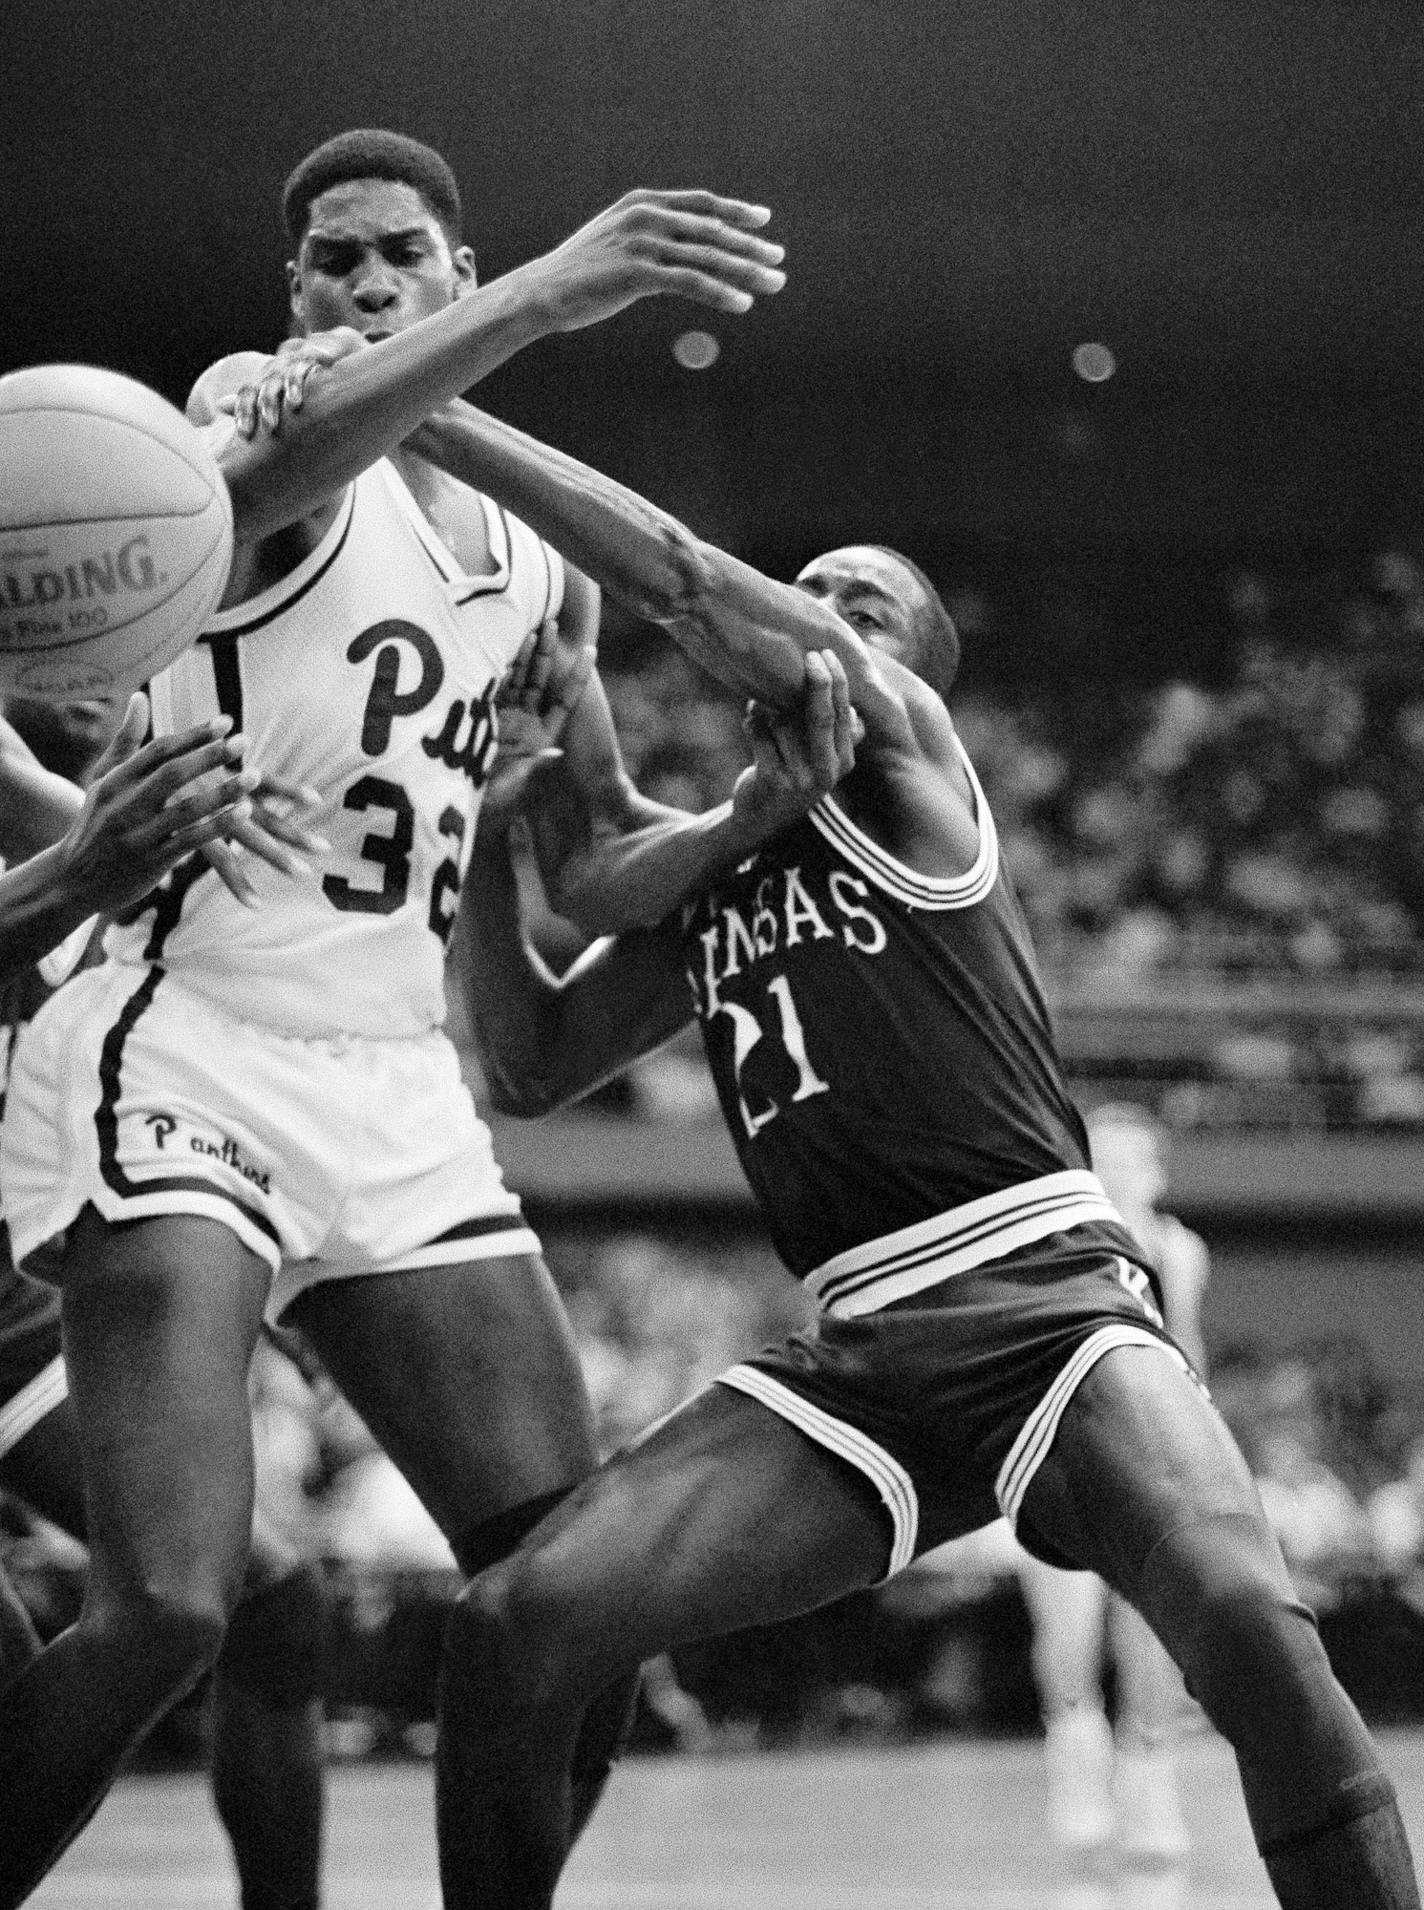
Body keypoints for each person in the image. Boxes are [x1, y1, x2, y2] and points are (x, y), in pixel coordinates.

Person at [393, 399, 1418, 1910]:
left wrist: (424, 400)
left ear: (908, 669)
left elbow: (679, 572)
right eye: (809, 585)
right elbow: (533, 1058)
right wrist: (491, 835)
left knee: (1253, 1624)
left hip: (1047, 1299)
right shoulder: (722, 873)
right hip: (860, 1351)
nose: (819, 609)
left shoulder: (916, 770)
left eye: (858, 600)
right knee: (509, 1630)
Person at [0, 127, 798, 1906]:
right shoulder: (251, 418)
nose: (361, 286)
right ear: (294, 293)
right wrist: (554, 290)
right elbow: (290, 452)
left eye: (397, 257)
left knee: (574, 1607)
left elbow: (585, 867)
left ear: (446, 262)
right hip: (184, 1032)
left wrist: (741, 822)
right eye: (332, 262)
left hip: (394, 1089)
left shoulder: (541, 565)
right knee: (176, 1604)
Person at [0, 691, 327, 1910]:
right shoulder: (96, 837)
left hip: (8, 1294)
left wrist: (292, 1275)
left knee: (270, 1601)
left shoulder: (130, 827)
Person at [1015, 1101, 1210, 1866]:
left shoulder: (1178, 1249)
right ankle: (1077, 1782)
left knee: (1150, 1632)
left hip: (1148, 1455)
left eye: (1136, 1155)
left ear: (1156, 1169)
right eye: (1108, 1154)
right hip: (1059, 1451)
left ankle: (1151, 1788)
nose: (1122, 1167)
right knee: (1068, 1636)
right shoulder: (1052, 1238)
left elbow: (1187, 1351)